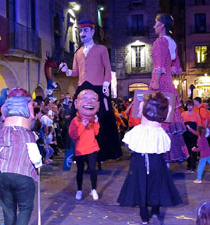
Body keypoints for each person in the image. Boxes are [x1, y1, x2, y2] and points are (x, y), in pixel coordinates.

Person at [59, 19, 121, 162]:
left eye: (85, 30)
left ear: (92, 32)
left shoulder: (102, 49)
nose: (82, 33)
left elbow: (107, 67)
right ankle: (78, 153)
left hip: (98, 87)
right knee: (76, 120)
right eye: (80, 31)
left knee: (103, 119)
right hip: (82, 88)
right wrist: (65, 70)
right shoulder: (77, 53)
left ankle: (103, 154)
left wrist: (106, 84)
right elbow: (75, 73)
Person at [117, 92, 183, 225]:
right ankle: (153, 212)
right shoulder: (165, 107)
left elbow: (130, 143)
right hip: (152, 148)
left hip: (143, 151)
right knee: (155, 182)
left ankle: (146, 215)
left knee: (144, 182)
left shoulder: (144, 104)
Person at [0, 88, 42, 225]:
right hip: (23, 175)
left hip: (3, 174)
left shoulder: (1, 133)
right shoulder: (27, 134)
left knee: (8, 210)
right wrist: (38, 164)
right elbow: (35, 156)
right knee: (25, 207)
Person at [149, 13, 187, 163]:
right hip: (169, 84)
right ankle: (168, 158)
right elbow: (176, 67)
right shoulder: (172, 42)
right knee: (169, 121)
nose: (154, 26)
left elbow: (158, 64)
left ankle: (161, 157)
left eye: (155, 23)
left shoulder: (160, 42)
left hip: (161, 83)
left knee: (158, 121)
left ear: (162, 26)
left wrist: (155, 82)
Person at [69, 89, 100, 200]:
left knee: (92, 169)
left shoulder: (93, 119)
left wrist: (96, 123)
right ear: (76, 104)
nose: (89, 102)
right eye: (85, 99)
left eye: (93, 99)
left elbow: (96, 133)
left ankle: (94, 189)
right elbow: (73, 135)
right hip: (80, 150)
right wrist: (83, 124)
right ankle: (79, 190)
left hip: (92, 148)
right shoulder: (75, 120)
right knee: (80, 170)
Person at [181, 100, 200, 173]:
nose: (189, 107)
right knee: (187, 150)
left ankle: (193, 167)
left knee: (194, 150)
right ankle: (189, 165)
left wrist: (198, 134)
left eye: (191, 105)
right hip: (185, 134)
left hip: (194, 134)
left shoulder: (196, 115)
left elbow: (199, 125)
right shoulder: (183, 114)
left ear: (193, 106)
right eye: (188, 105)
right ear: (186, 106)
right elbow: (181, 125)